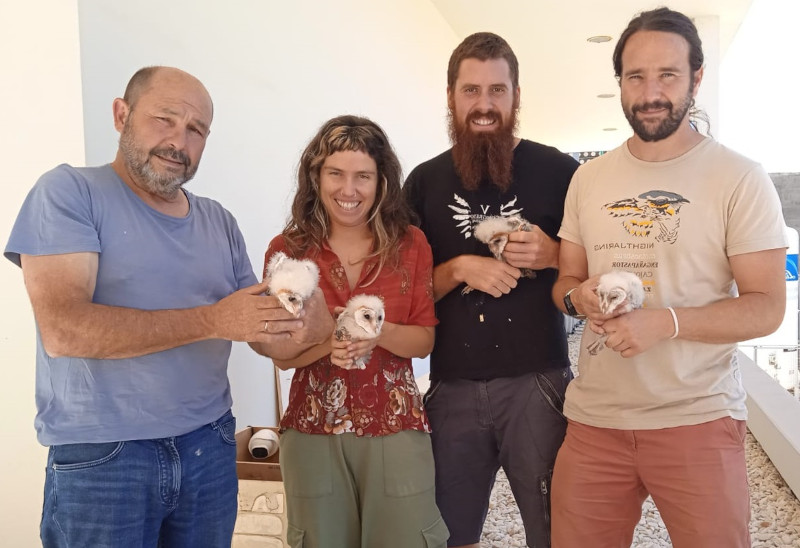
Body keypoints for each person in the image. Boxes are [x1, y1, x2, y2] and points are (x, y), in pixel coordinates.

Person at [4, 66, 332, 547]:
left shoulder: (218, 221)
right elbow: (64, 329)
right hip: (105, 457)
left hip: (210, 445)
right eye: (164, 119)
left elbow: (265, 337)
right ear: (122, 114)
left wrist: (312, 317)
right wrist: (214, 320)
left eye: (196, 130)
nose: (179, 140)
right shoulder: (70, 192)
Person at [550, 8, 787, 548]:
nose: (650, 91)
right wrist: (577, 297)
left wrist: (668, 323)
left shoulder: (739, 177)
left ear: (696, 78)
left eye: (668, 75)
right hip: (595, 421)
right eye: (636, 76)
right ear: (620, 83)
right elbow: (565, 280)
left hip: (697, 420)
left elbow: (767, 306)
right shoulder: (587, 178)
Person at [403, 33, 579, 548]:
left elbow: (593, 270)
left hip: (539, 385)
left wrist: (551, 255)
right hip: (451, 387)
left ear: (516, 96)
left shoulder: (560, 172)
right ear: (451, 97)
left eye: (497, 91)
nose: (484, 105)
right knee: (448, 534)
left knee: (553, 530)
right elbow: (405, 295)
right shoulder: (424, 183)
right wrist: (458, 268)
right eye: (471, 91)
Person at [264, 115, 449, 548]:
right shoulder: (286, 249)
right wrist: (329, 344)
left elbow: (425, 339)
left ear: (382, 182)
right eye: (336, 174)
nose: (349, 191)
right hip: (311, 430)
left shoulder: (411, 244)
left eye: (363, 176)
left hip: (396, 424)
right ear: (316, 176)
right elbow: (279, 354)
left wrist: (376, 335)